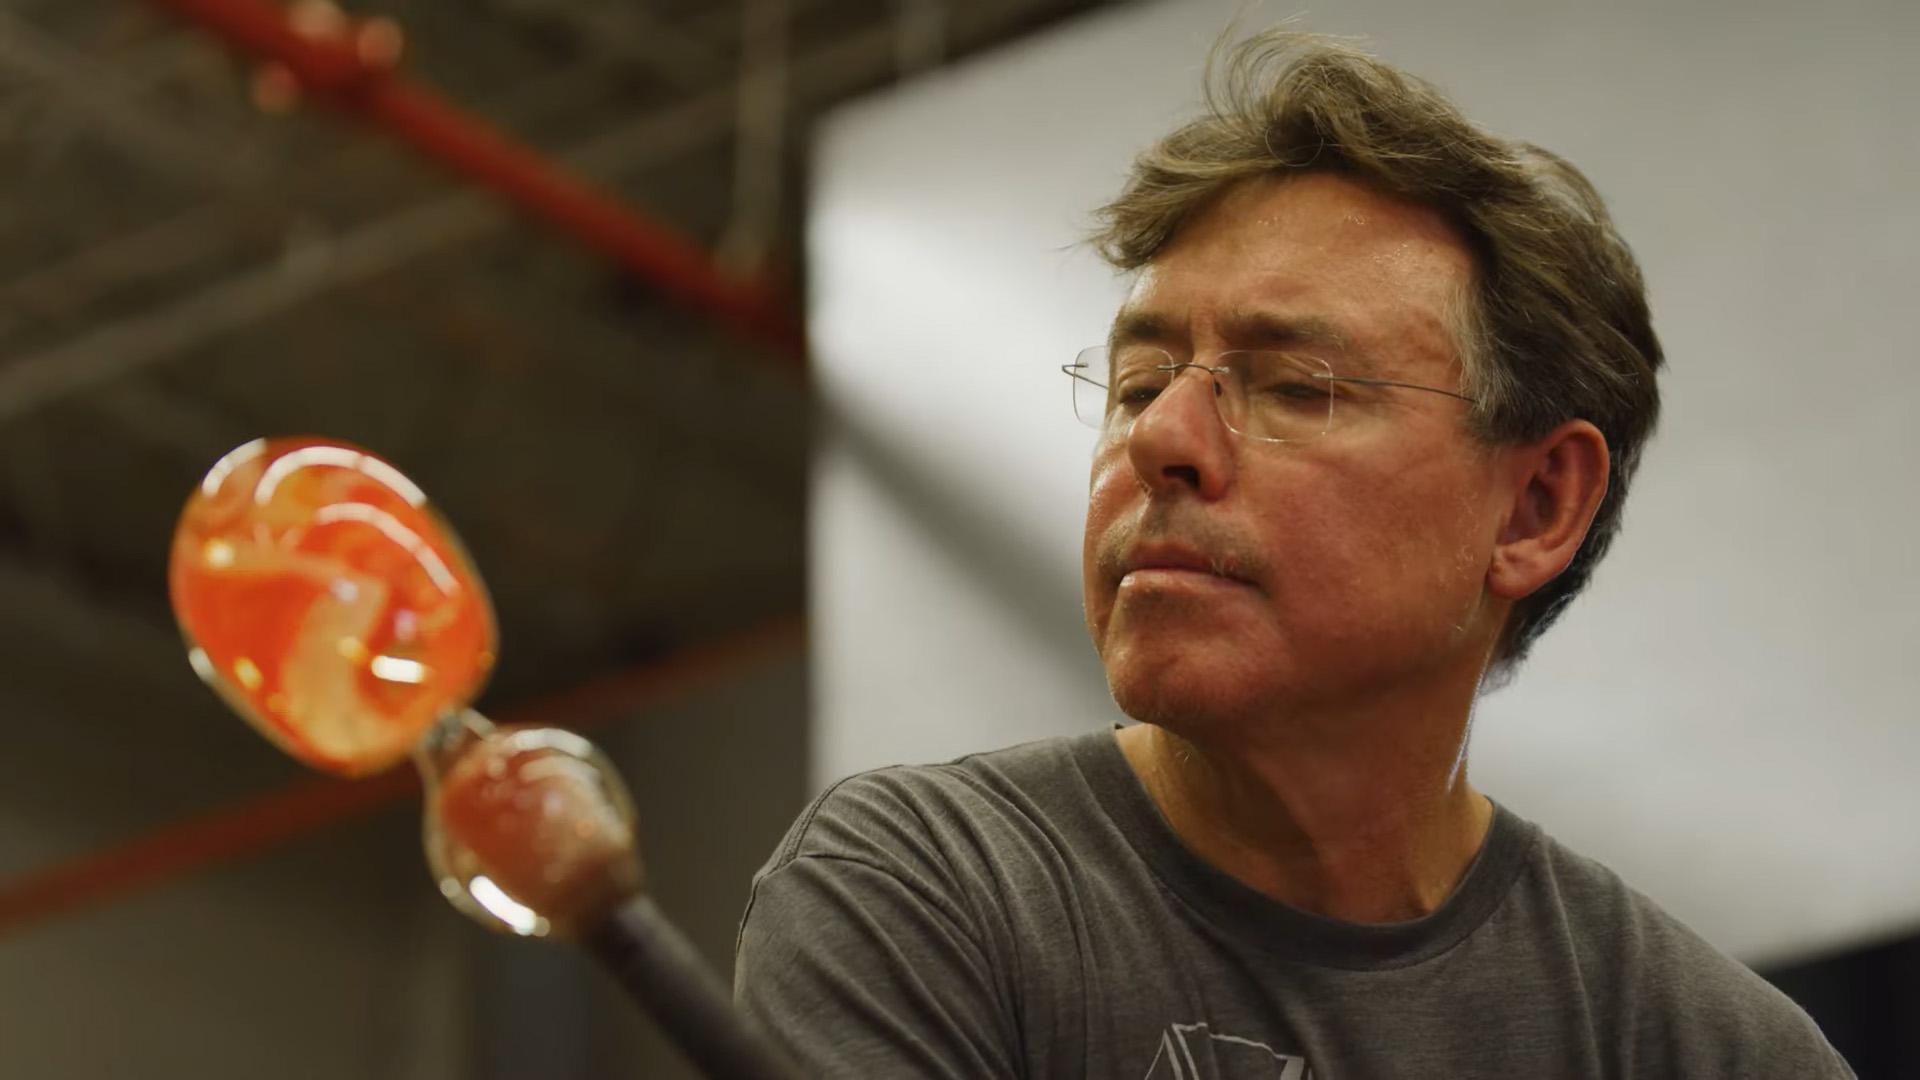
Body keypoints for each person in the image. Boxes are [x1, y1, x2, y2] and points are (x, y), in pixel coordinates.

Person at [734, 29, 1852, 1079]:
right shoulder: (927, 891)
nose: (1163, 438)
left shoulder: (1709, 1050)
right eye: (1135, 385)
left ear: (1534, 509)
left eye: (1295, 388)